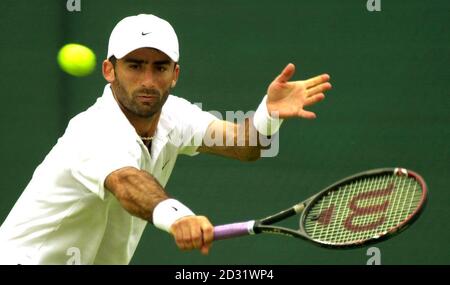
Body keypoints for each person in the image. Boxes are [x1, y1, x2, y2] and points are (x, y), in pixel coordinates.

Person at [0, 14, 331, 264]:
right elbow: (128, 182)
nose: (147, 80)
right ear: (109, 70)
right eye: (134, 65)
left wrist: (268, 114)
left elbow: (245, 145)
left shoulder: (177, 115)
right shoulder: (92, 130)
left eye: (159, 68)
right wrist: (178, 217)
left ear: (175, 74)